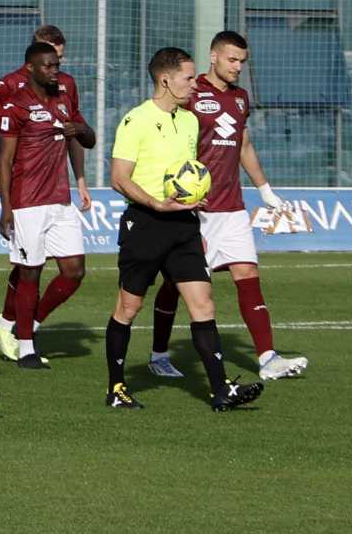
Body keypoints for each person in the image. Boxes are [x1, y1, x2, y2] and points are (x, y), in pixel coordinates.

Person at [102, 46, 261, 413]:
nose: (195, 85)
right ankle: (116, 388)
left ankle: (221, 390)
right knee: (129, 307)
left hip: (185, 225)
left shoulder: (189, 120)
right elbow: (118, 178)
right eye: (189, 78)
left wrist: (195, 196)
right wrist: (157, 203)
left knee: (203, 303)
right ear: (165, 80)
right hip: (146, 224)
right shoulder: (136, 120)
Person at [146, 31, 309, 384]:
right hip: (196, 210)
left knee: (247, 275)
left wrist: (265, 190)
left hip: (232, 207)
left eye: (242, 62)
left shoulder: (240, 98)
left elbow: (243, 144)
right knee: (175, 284)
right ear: (214, 56)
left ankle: (267, 358)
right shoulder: (191, 92)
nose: (237, 67)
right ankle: (159, 354)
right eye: (232, 60)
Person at [0, 35, 93, 370]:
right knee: (30, 272)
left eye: (57, 65)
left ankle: (27, 323)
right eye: (48, 66)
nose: (55, 71)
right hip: (27, 201)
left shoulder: (64, 98)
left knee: (74, 271)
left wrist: (78, 128)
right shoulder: (16, 104)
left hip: (60, 199)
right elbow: (4, 160)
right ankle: (27, 349)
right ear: (30, 69)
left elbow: (88, 138)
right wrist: (6, 206)